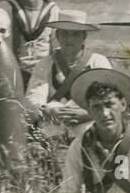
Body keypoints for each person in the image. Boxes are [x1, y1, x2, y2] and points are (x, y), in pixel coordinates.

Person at [22, 9, 107, 140]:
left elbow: (108, 99)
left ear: (84, 37)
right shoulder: (46, 64)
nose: (69, 39)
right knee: (47, 127)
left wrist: (88, 113)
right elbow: (33, 97)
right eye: (65, 34)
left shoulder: (98, 62)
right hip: (54, 120)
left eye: (75, 34)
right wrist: (49, 111)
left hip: (88, 120)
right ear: (57, 35)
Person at [2, 0, 61, 84]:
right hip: (16, 74)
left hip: (45, 75)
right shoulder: (8, 9)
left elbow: (56, 45)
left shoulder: (52, 10)